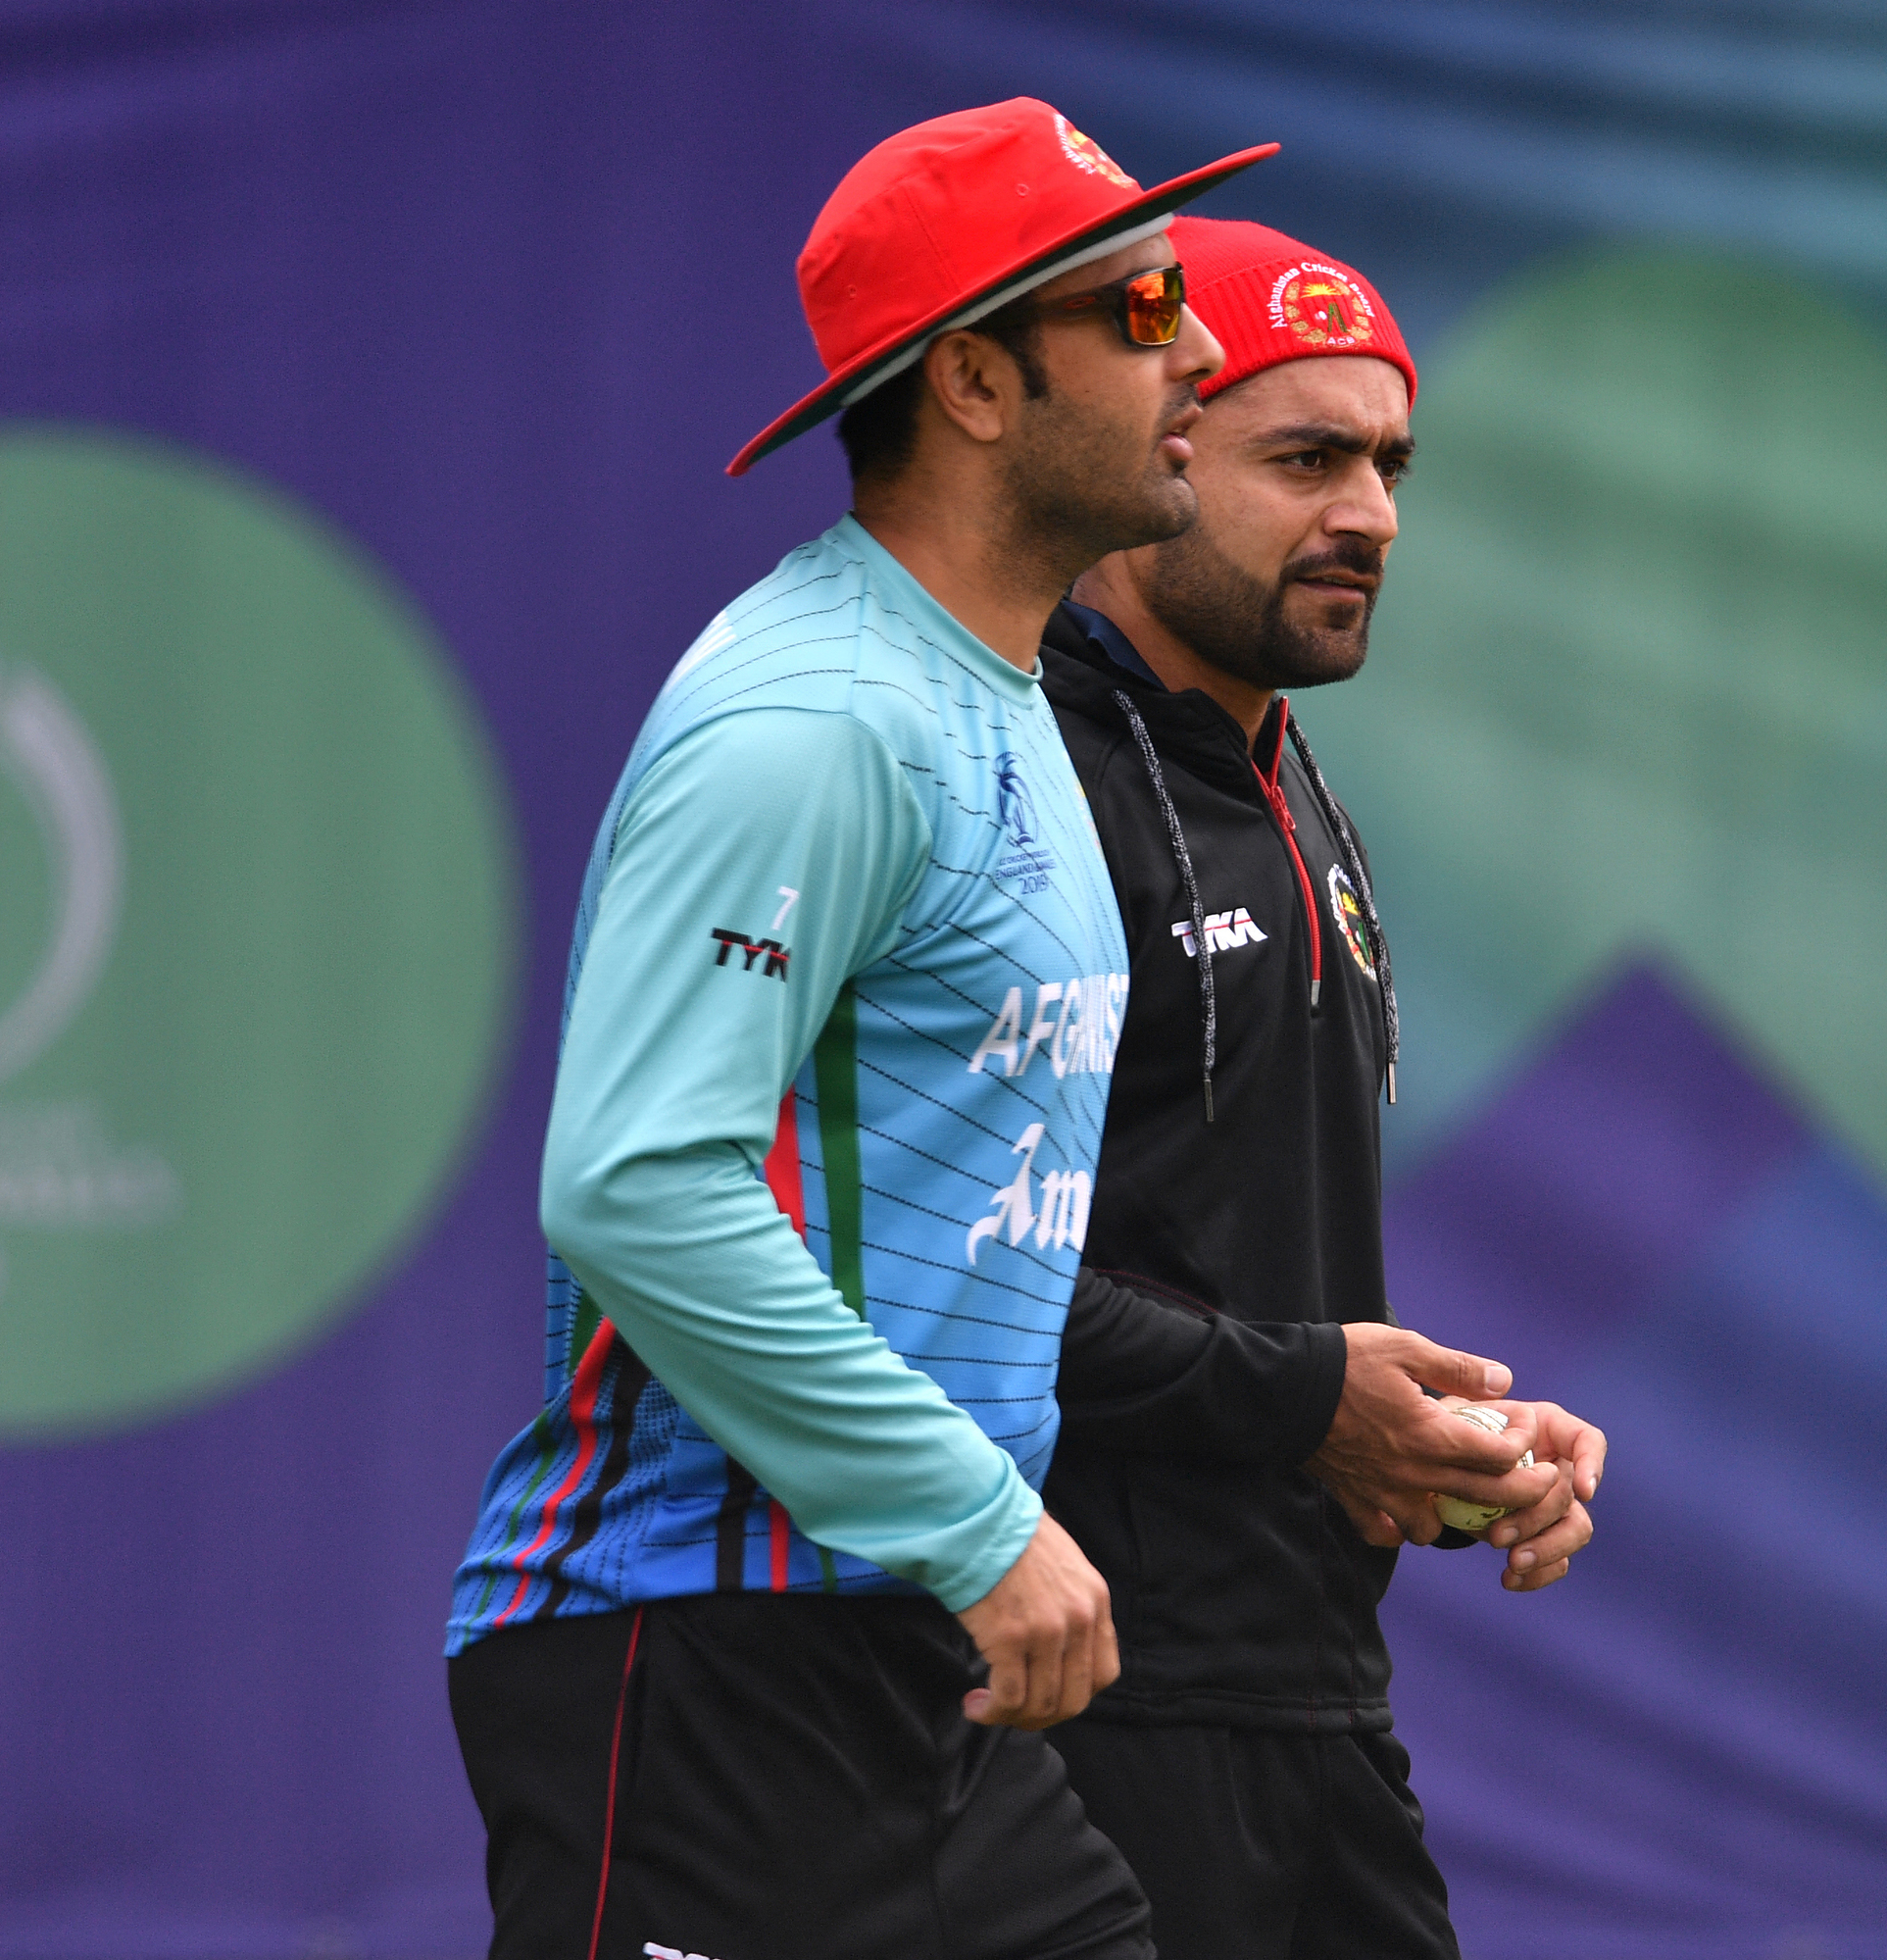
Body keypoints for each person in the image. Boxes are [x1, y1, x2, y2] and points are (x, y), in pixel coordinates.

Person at [442, 102, 1273, 1960]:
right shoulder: (817, 716)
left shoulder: (990, 689)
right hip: (700, 1643)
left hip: (912, 1647)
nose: (1205, 351)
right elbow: (638, 1186)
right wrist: (982, 1525)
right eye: (1144, 310)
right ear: (972, 380)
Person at [1033, 216, 1608, 1960]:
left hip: (1311, 1691)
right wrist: (1308, 1399)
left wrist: (1423, 1439)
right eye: (1308, 459)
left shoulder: (1291, 780)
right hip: (1077, 1699)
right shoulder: (1013, 786)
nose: (1373, 514)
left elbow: (1216, 1264)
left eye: (1389, 464)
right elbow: (927, 1273)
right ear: (1157, 453)